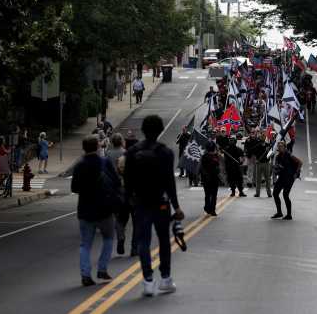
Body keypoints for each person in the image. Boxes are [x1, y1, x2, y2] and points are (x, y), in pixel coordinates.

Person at [124, 115, 185, 296]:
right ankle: (165, 278)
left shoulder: (132, 152)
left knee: (143, 242)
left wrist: (128, 202)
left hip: (141, 203)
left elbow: (127, 181)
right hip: (161, 203)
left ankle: (148, 280)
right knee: (164, 240)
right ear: (160, 131)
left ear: (143, 130)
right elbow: (169, 183)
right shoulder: (165, 153)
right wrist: (176, 206)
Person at [71, 135, 120, 286]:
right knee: (108, 238)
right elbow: (117, 182)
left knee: (85, 244)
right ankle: (102, 268)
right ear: (98, 147)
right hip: (104, 209)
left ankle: (85, 275)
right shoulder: (104, 163)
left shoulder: (79, 165)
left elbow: (74, 188)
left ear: (84, 148)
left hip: (85, 209)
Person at [271, 141, 302, 220]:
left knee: (285, 195)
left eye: (281, 146)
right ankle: (279, 212)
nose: (280, 148)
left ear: (285, 147)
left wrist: (296, 173)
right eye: (279, 146)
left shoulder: (289, 155)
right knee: (275, 193)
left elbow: (300, 162)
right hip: (281, 177)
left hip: (289, 178)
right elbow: (278, 167)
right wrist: (275, 169)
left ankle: (289, 214)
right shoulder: (278, 156)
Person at [200, 141, 221, 216]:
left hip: (211, 178)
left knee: (209, 195)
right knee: (211, 195)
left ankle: (210, 208)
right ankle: (211, 209)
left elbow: (202, 168)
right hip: (209, 178)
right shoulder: (211, 157)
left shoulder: (205, 156)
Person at [253, 131, 272, 198]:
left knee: (267, 179)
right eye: (262, 136)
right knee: (258, 179)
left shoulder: (268, 145)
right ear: (260, 137)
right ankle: (257, 193)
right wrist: (256, 159)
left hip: (266, 163)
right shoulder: (258, 145)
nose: (263, 137)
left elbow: (271, 154)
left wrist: (268, 150)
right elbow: (254, 153)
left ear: (265, 137)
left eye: (264, 136)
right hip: (259, 163)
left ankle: (269, 193)